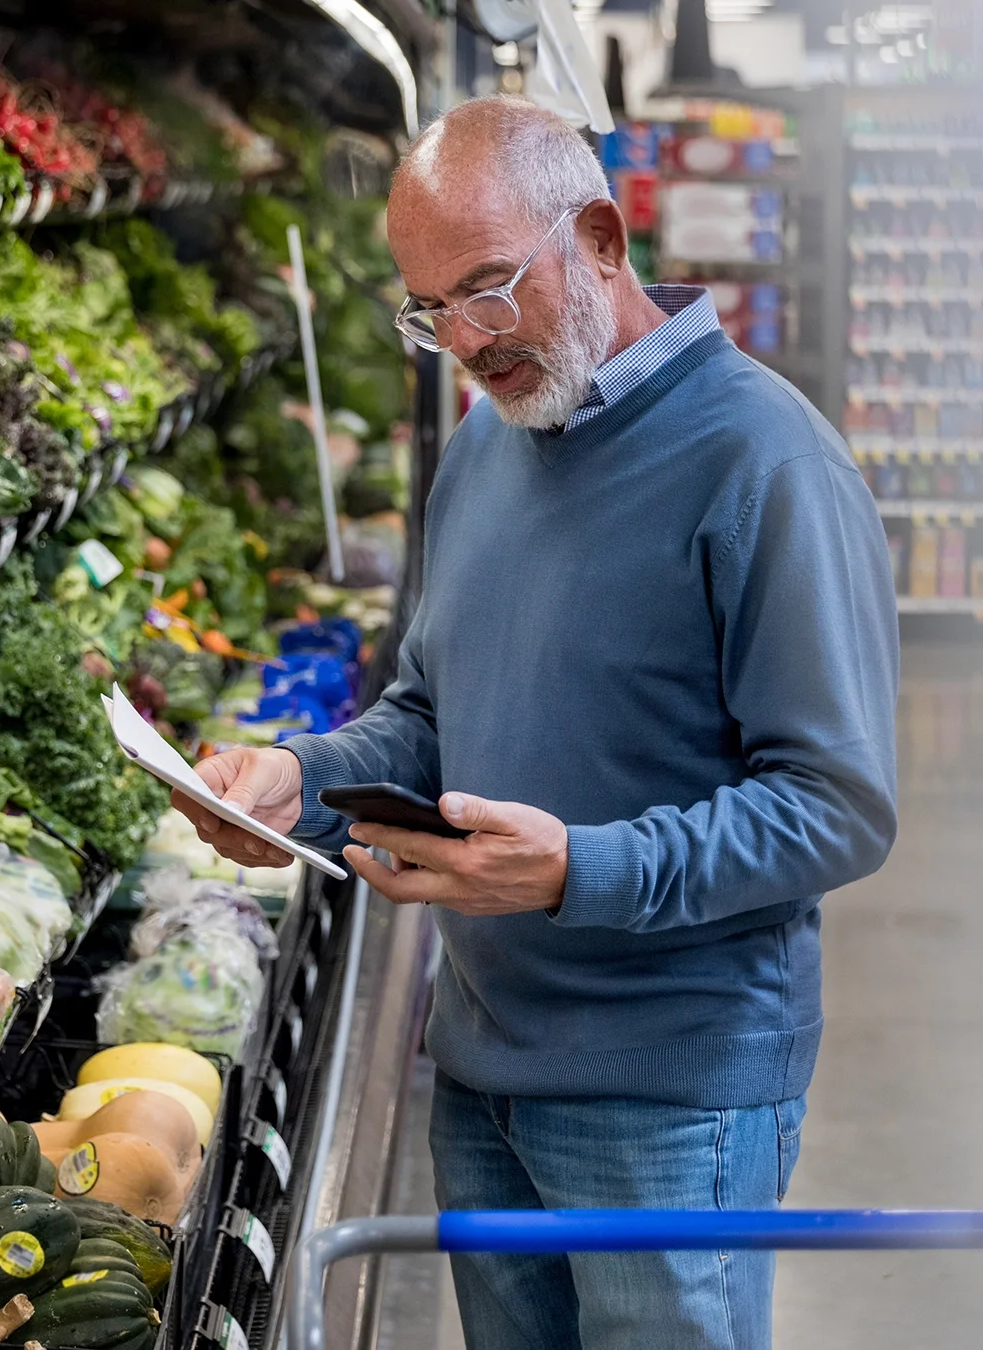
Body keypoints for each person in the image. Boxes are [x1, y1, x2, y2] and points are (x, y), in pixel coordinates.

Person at [175, 96, 899, 1350]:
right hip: (480, 1072)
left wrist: (578, 870)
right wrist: (305, 780)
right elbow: (430, 709)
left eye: (488, 288)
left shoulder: (766, 463)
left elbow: (837, 808)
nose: (465, 340)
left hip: (671, 1097)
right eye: (429, 310)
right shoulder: (486, 446)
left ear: (602, 239)